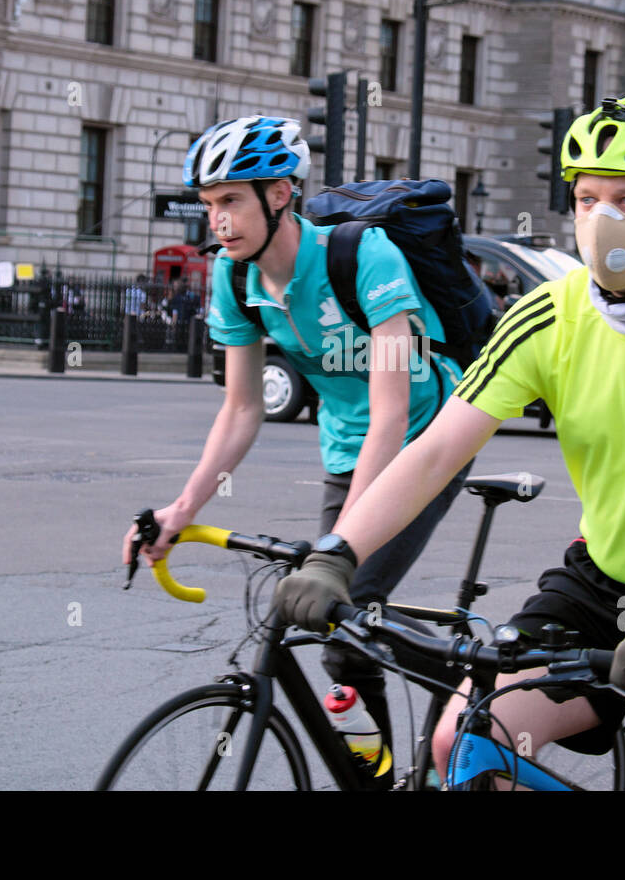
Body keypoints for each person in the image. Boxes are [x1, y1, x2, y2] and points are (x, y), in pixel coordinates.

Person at [276, 94, 625, 791]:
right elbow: (436, 451)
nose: (603, 220)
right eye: (587, 199)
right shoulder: (546, 315)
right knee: (465, 741)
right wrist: (339, 554)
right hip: (600, 586)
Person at [121, 115, 471, 756]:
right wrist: (182, 508)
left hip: (427, 439)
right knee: (344, 629)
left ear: (279, 194)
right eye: (208, 206)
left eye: (230, 200)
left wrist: (339, 547)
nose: (218, 221)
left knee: (347, 601)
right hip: (348, 447)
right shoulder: (236, 281)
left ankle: (474, 689)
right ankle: (381, 770)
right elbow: (241, 410)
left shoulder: (362, 255)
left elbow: (391, 413)